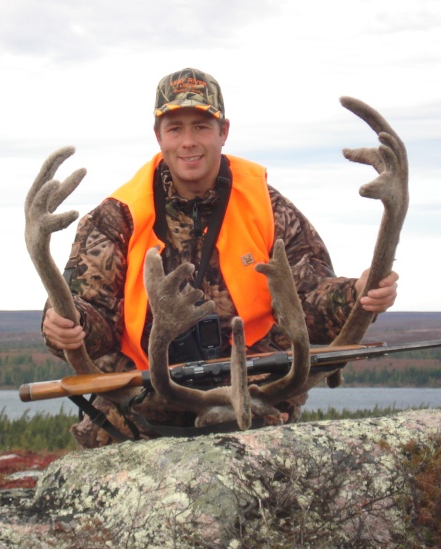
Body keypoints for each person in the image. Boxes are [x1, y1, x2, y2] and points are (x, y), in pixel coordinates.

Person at [41, 67, 398, 447]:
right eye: (175, 128)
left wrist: (357, 295)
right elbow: (91, 313)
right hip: (141, 411)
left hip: (255, 405)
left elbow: (309, 297)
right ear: (158, 135)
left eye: (201, 126)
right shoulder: (117, 217)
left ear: (223, 131)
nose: (188, 142)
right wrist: (65, 324)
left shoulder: (268, 208)